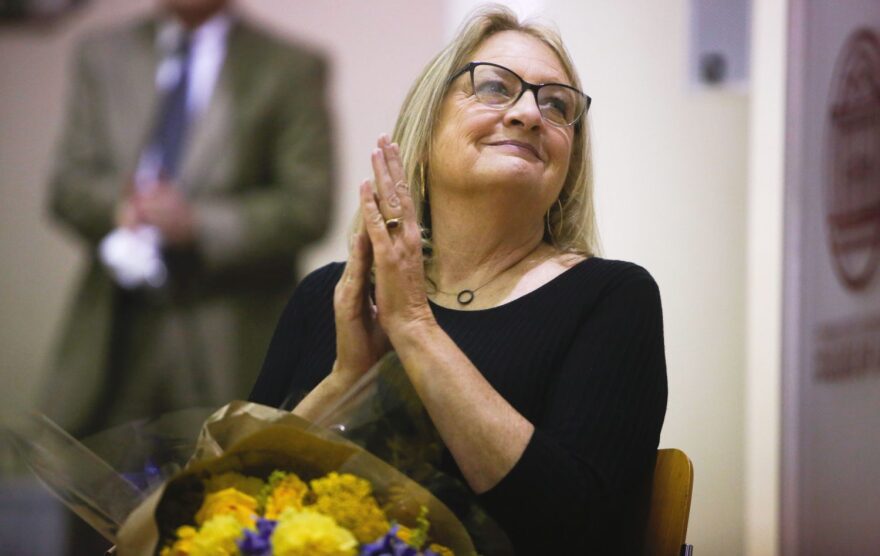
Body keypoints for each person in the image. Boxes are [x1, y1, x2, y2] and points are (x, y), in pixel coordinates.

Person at [250, 6, 666, 553]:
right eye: (495, 88)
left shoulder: (613, 298)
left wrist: (415, 327)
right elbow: (227, 503)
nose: (528, 114)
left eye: (556, 104)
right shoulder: (329, 297)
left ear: (570, 164)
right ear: (428, 126)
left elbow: (578, 527)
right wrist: (346, 381)